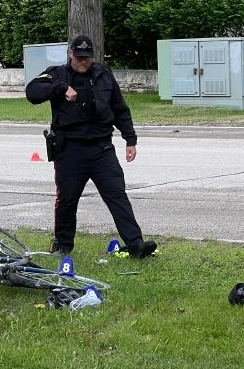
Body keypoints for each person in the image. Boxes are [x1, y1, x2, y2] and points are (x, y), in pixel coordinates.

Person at [26, 35, 157, 259]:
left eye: (87, 58)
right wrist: (60, 88)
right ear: (70, 54)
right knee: (67, 199)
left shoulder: (103, 74)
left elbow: (119, 107)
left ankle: (135, 244)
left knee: (117, 195)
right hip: (70, 150)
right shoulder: (56, 74)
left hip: (101, 148)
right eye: (78, 57)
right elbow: (32, 91)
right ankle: (64, 245)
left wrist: (130, 139)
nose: (83, 62)